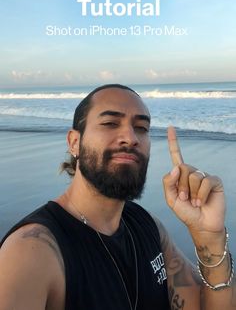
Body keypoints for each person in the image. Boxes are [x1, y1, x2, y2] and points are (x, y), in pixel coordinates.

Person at [0, 83, 235, 310]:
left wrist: (210, 237)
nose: (131, 137)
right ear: (74, 142)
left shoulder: (148, 227)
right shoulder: (32, 252)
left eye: (141, 128)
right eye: (110, 123)